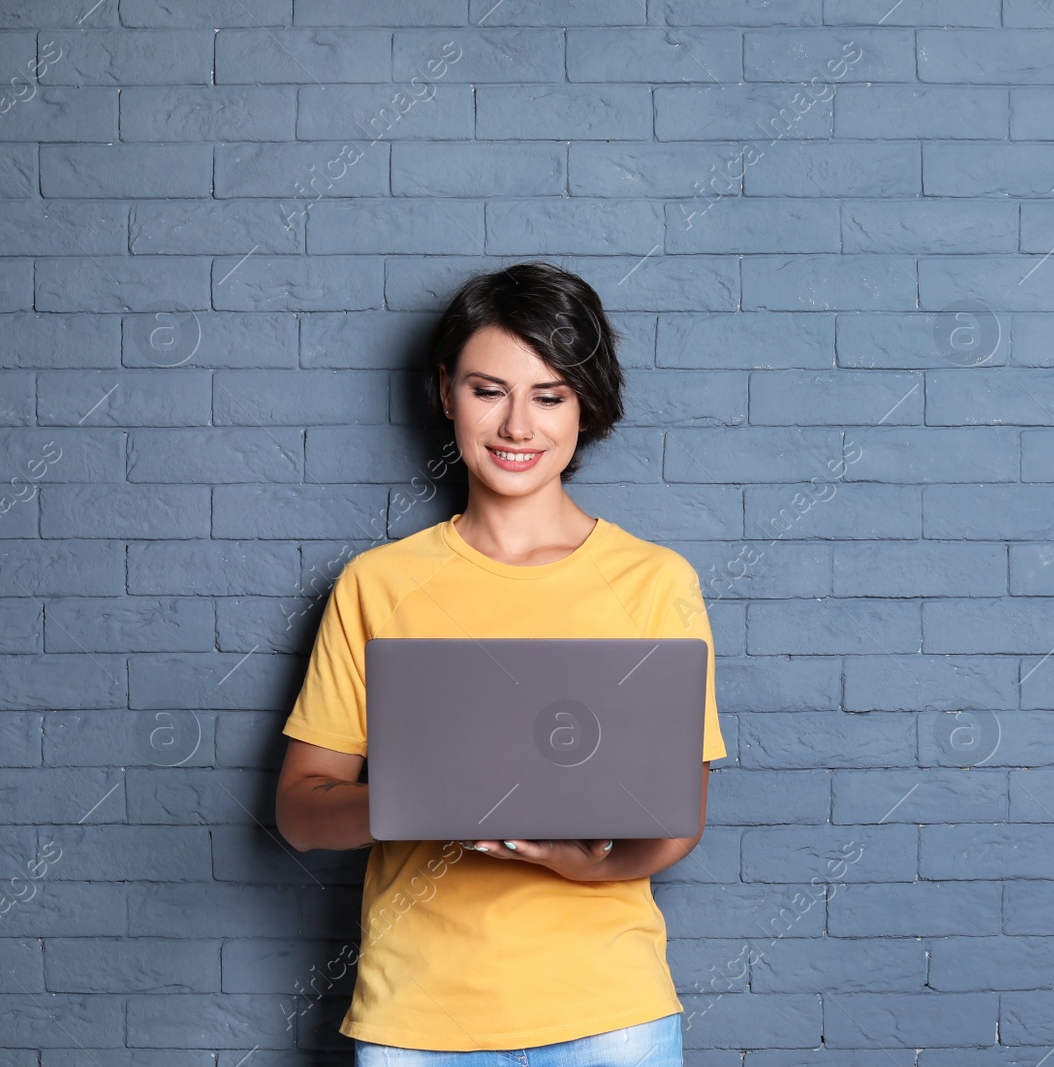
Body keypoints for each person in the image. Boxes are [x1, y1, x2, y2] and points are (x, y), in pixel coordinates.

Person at [274, 261, 727, 1065]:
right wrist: (419, 797)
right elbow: (301, 810)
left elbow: (676, 815)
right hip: (414, 1023)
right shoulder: (377, 585)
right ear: (445, 391)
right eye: (488, 390)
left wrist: (583, 867)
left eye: (548, 395)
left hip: (608, 1019)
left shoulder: (655, 582)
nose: (518, 426)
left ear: (587, 405)